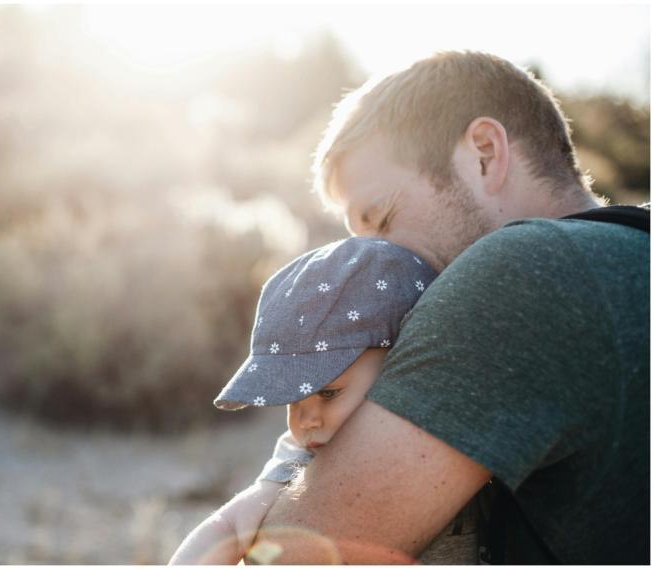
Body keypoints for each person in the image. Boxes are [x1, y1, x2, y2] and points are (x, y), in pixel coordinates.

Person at [249, 50, 649, 564]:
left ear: (484, 153)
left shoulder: (520, 272)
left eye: (382, 218)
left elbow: (291, 559)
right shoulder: (630, 251)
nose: (372, 261)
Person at [168, 237, 440, 564]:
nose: (305, 420)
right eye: (293, 399)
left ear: (400, 362)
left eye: (328, 393)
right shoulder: (303, 456)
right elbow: (228, 524)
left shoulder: (444, 432)